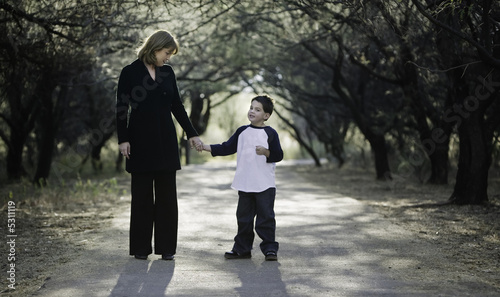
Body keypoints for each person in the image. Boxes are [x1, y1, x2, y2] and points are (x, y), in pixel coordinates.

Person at [115, 30, 202, 261]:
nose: (168, 58)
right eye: (167, 52)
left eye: (170, 54)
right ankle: (141, 249)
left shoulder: (168, 73)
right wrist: (123, 139)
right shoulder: (130, 72)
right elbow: (121, 109)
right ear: (155, 48)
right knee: (142, 198)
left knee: (166, 198)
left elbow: (177, 106)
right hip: (139, 143)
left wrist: (192, 134)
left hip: (166, 142)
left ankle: (167, 248)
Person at [199, 95, 284, 261]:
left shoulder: (270, 133)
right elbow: (226, 147)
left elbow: (278, 155)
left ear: (266, 115)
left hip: (265, 185)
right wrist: (205, 147)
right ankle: (242, 249)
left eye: (257, 109)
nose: (252, 111)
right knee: (244, 219)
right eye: (251, 108)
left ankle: (270, 249)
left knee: (265, 218)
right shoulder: (242, 131)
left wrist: (266, 152)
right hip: (245, 184)